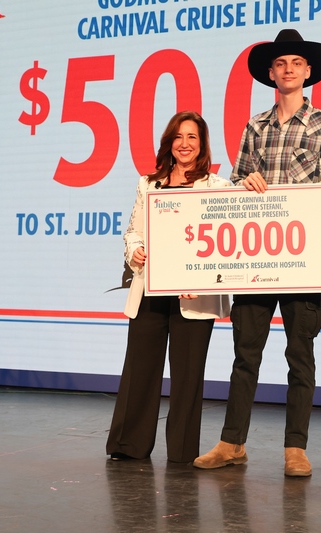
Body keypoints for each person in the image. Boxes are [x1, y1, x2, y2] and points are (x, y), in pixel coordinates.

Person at [193, 29, 321, 477]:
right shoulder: (255, 126)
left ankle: (295, 449)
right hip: (256, 262)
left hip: (302, 261)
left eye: (296, 63)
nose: (288, 69)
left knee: (301, 356)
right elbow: (237, 184)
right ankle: (232, 442)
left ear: (308, 71)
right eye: (280, 64)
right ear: (270, 74)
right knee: (246, 354)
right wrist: (247, 183)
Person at [106, 111, 231, 463]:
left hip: (194, 295)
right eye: (178, 137)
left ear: (202, 144)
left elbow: (225, 242)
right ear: (169, 143)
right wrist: (135, 250)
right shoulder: (149, 184)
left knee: (188, 376)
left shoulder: (218, 187)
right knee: (139, 370)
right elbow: (133, 231)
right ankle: (128, 444)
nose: (185, 144)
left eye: (192, 137)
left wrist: (202, 277)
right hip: (151, 289)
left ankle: (180, 451)